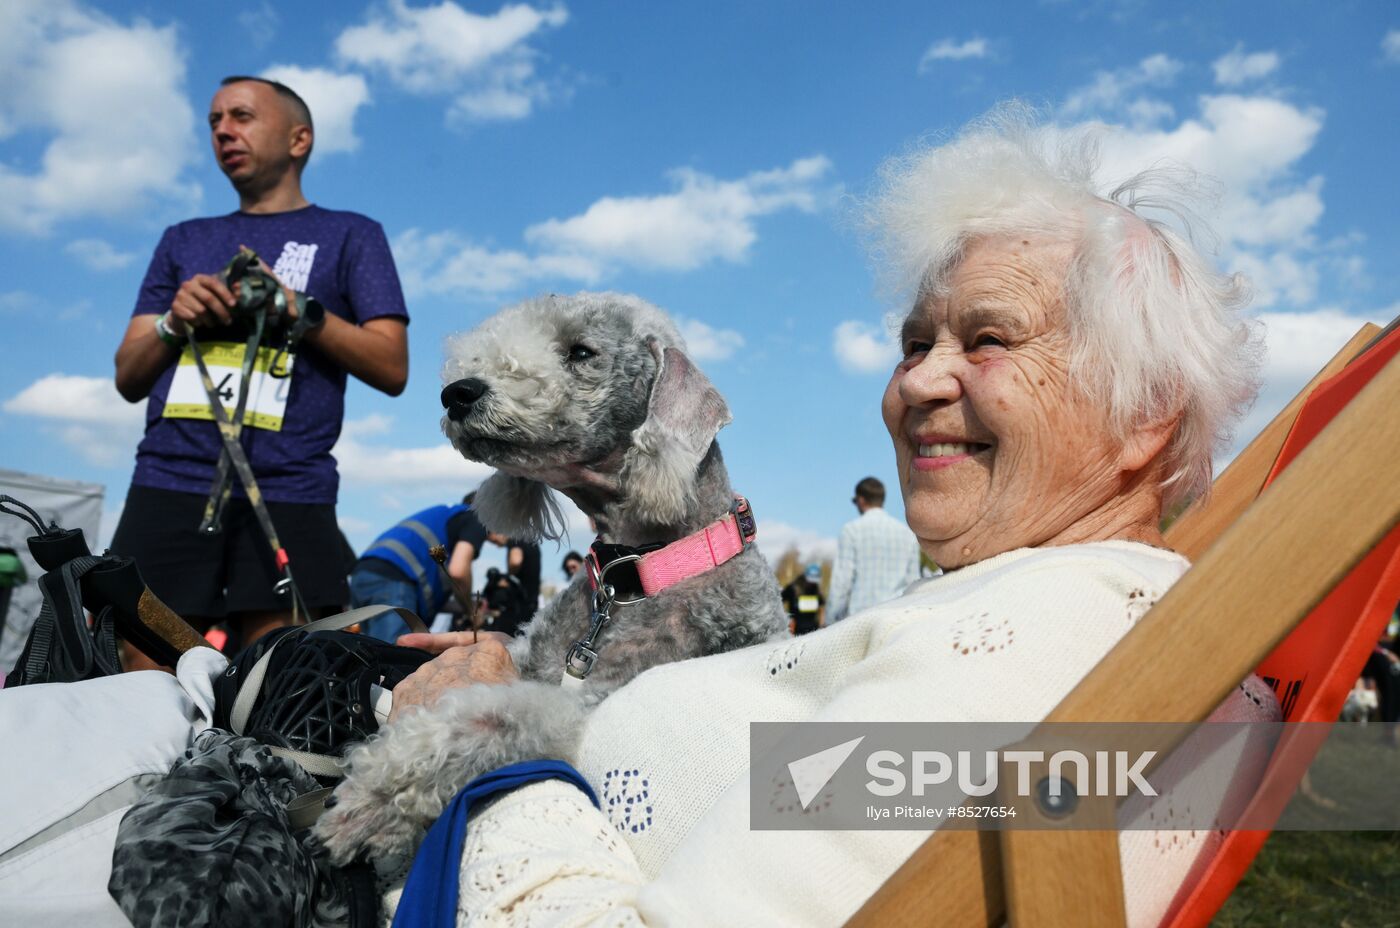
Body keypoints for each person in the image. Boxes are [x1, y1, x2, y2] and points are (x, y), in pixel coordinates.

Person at [378, 107, 1279, 927]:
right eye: (916, 344)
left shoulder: (1033, 647)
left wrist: (488, 744)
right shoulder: (1027, 606)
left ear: (1147, 411)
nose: (916, 382)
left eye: (990, 339)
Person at [109, 76, 409, 656]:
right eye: (214, 120)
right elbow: (127, 375)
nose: (223, 130)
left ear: (300, 139)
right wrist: (176, 321)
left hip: (289, 484)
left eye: (241, 116)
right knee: (138, 668)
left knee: (279, 679)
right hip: (169, 479)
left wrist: (298, 309)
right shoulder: (184, 239)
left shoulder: (351, 233)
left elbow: (392, 366)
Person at [350, 498, 489, 642]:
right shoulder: (476, 517)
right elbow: (458, 572)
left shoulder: (445, 516)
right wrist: (471, 611)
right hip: (394, 579)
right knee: (394, 654)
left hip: (363, 573)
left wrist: (459, 605)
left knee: (372, 652)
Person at [826, 476, 922, 622]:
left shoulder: (851, 530)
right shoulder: (907, 534)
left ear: (861, 500)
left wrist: (831, 619)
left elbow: (842, 581)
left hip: (859, 619)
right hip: (896, 618)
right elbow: (913, 581)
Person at [782, 562, 826, 635]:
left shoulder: (816, 590)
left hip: (814, 630)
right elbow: (779, 601)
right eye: (811, 580)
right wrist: (787, 620)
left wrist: (822, 625)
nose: (813, 583)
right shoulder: (793, 588)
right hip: (794, 630)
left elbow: (821, 608)